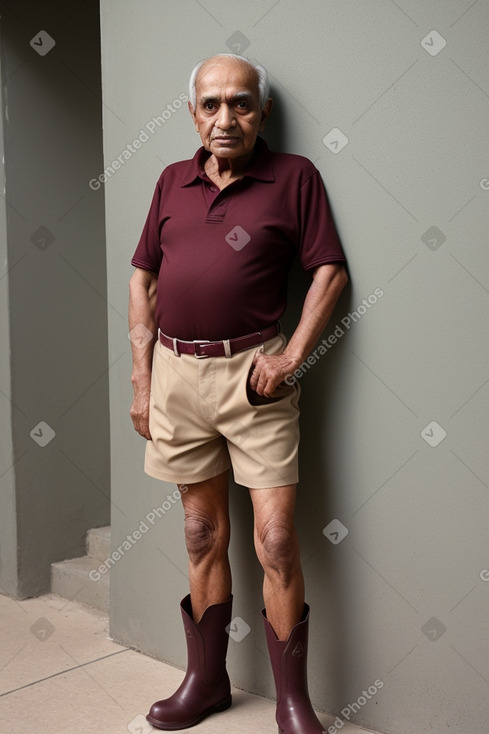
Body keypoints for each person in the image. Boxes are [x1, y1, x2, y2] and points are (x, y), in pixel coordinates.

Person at [129, 53, 348, 733]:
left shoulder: (293, 178)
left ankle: (291, 701)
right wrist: (141, 379)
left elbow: (329, 273)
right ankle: (206, 683)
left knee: (277, 541)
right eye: (212, 104)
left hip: (254, 380)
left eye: (241, 103)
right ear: (193, 113)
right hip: (174, 375)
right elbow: (143, 279)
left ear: (261, 111)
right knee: (200, 532)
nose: (226, 117)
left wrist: (289, 356)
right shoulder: (170, 180)